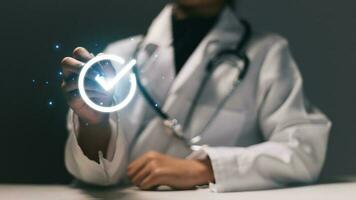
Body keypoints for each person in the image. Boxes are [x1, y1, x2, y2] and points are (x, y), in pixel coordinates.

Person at [60, 0, 331, 192]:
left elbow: (302, 151)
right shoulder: (119, 56)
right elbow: (97, 176)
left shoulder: (267, 53)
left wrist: (207, 169)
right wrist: (94, 124)